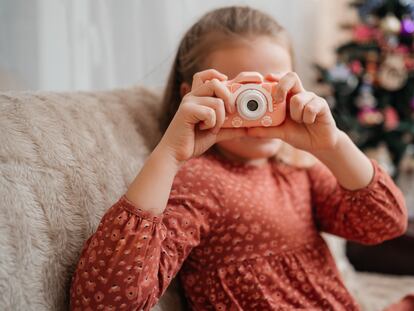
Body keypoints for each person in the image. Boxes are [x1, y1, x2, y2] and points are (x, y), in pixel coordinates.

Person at [69, 6, 408, 311]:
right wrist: (170, 155)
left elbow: (386, 222)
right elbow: (106, 302)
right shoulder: (198, 181)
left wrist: (333, 145)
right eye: (241, 92)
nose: (255, 106)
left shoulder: (297, 169)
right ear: (195, 96)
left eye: (273, 89)